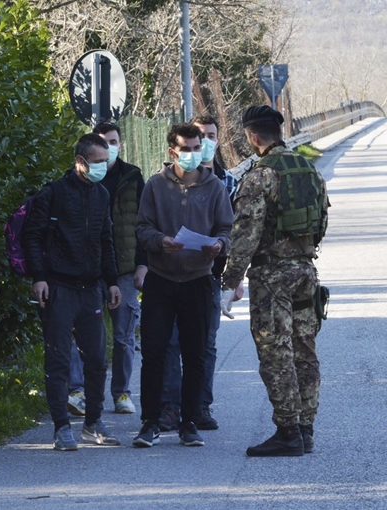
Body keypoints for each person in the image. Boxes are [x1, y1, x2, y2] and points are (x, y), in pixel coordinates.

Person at [221, 105, 329, 457]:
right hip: (306, 271)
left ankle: (287, 431)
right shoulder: (308, 169)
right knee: (305, 350)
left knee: (275, 353)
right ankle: (305, 428)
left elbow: (245, 234)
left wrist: (229, 281)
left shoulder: (261, 175)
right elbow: (322, 219)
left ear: (253, 137)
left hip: (272, 277)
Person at [133, 123, 233, 448]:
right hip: (161, 279)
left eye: (197, 147)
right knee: (154, 351)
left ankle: (189, 422)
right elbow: (142, 227)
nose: (193, 154)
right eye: (186, 148)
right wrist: (160, 241)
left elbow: (227, 229)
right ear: (172, 151)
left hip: (198, 280)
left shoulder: (214, 187)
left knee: (196, 354)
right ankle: (151, 421)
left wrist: (219, 245)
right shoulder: (155, 186)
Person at [23, 133, 123, 451]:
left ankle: (93, 423)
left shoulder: (102, 194)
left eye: (105, 162)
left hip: (91, 288)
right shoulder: (53, 193)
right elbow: (33, 238)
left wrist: (112, 281)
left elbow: (106, 240)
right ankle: (61, 427)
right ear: (80, 162)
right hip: (58, 288)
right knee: (59, 361)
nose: (102, 167)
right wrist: (39, 278)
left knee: (96, 359)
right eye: (97, 162)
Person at [158, 115, 242, 432]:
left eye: (209, 136)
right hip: (172, 275)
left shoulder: (228, 183)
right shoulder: (162, 183)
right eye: (197, 137)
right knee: (171, 343)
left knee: (205, 345)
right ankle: (170, 407)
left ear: (217, 140)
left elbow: (236, 232)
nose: (202, 143)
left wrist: (234, 279)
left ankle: (200, 406)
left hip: (211, 277)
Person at [67, 122, 147, 416]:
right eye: (102, 143)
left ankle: (122, 393)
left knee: (124, 335)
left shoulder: (133, 178)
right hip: (89, 270)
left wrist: (142, 264)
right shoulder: (78, 183)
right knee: (81, 333)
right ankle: (78, 390)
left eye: (112, 142)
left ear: (121, 145)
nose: (107, 148)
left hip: (124, 269)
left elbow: (144, 224)